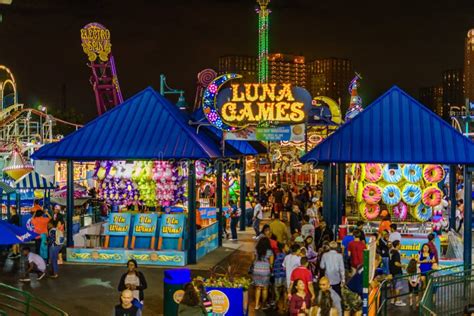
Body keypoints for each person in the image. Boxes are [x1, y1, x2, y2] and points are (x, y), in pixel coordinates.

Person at [253, 237, 274, 310]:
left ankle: (256, 305)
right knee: (265, 288)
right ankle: (263, 305)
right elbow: (271, 263)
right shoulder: (270, 251)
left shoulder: (256, 250)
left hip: (256, 269)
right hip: (265, 270)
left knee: (258, 288)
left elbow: (253, 259)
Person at [389, 240, 406, 306]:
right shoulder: (396, 253)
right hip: (397, 272)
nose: (401, 245)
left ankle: (392, 299)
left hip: (392, 272)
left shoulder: (391, 252)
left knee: (393, 286)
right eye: (400, 244)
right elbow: (396, 263)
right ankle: (398, 301)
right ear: (397, 245)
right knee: (398, 287)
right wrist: (403, 266)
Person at [273, 242, 288, 311]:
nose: (288, 248)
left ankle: (276, 305)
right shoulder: (286, 256)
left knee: (277, 291)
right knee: (285, 291)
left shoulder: (277, 255)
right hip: (284, 275)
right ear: (283, 248)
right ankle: (284, 306)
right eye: (286, 246)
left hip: (277, 275)